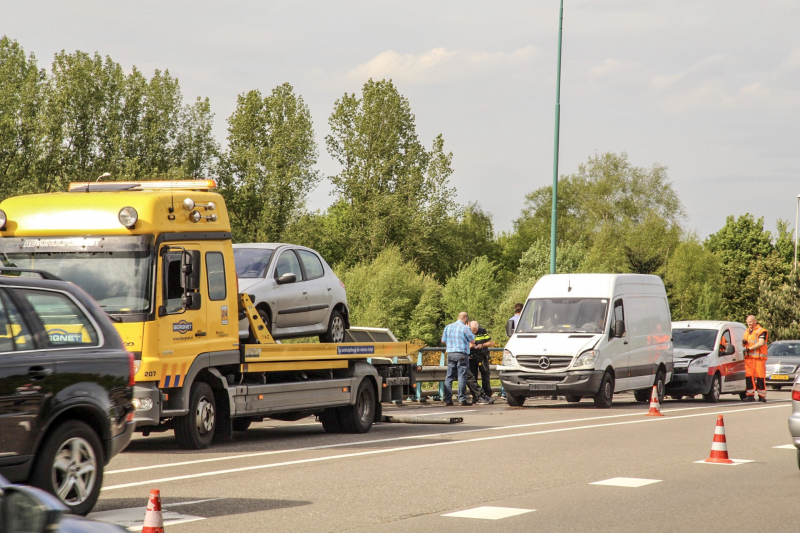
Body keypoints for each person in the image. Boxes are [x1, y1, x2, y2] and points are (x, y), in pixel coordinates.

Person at [441, 312, 475, 406]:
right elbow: (473, 340)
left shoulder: (448, 327)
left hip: (451, 353)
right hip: (461, 354)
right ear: (465, 318)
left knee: (449, 377)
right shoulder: (465, 328)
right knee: (462, 377)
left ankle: (448, 400)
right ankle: (462, 399)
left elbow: (443, 340)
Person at [742, 315, 768, 402]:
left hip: (759, 358)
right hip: (749, 358)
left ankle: (762, 396)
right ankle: (750, 395)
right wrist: (743, 343)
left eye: (750, 321)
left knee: (760, 377)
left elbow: (761, 343)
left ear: (755, 321)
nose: (749, 323)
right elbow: (745, 344)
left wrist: (749, 348)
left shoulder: (761, 331)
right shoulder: (746, 331)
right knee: (749, 377)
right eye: (748, 322)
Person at [470, 321, 494, 399]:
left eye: (475, 330)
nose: (474, 332)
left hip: (482, 356)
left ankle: (487, 394)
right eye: (472, 330)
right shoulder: (467, 331)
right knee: (473, 377)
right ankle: (476, 395)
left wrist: (482, 345)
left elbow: (491, 342)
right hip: (472, 357)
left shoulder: (482, 331)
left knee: (485, 375)